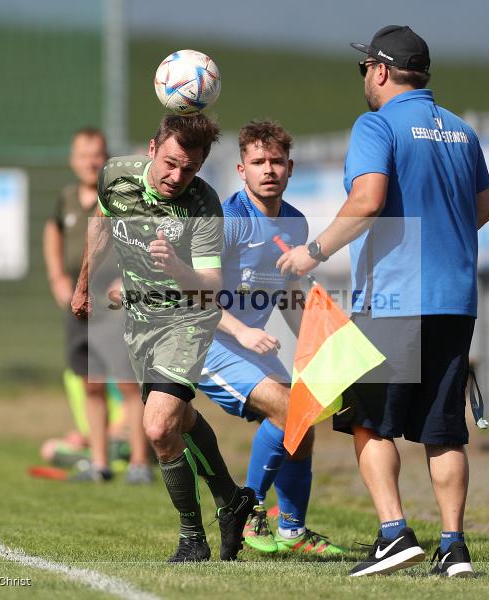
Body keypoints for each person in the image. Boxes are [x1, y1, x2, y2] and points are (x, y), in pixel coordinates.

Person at [277, 25, 489, 578]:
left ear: (379, 70)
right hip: (457, 299)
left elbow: (367, 199)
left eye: (364, 70)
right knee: (443, 429)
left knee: (367, 420)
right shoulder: (465, 133)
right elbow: (483, 210)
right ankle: (453, 547)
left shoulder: (376, 124)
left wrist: (313, 252)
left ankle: (394, 534)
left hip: (396, 296)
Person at [71, 114, 256, 563]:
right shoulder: (116, 176)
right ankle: (231, 502)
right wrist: (83, 284)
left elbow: (212, 285)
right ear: (152, 149)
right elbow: (102, 225)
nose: (178, 177)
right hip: (139, 319)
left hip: (188, 319)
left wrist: (177, 267)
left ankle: (192, 538)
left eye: (190, 169)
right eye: (171, 163)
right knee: (179, 419)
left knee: (156, 425)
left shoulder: (204, 205)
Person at [199, 120, 345, 556]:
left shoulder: (296, 225)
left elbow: (289, 295)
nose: (268, 170)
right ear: (241, 170)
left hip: (248, 344)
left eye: (276, 161)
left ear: (290, 168)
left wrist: (317, 349)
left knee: (304, 420)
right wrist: (242, 330)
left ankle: (293, 531)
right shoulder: (226, 220)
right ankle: (248, 511)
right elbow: (196, 296)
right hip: (209, 343)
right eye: (258, 162)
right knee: (286, 409)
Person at [42, 126, 150, 484]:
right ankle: (100, 463)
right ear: (74, 160)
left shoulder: (121, 197)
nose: (91, 161)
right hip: (79, 304)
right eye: (84, 155)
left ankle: (138, 463)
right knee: (91, 382)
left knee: (128, 382)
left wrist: (129, 278)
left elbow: (143, 238)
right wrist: (58, 277)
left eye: (98, 154)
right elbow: (53, 231)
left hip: (113, 303)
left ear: (107, 158)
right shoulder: (67, 198)